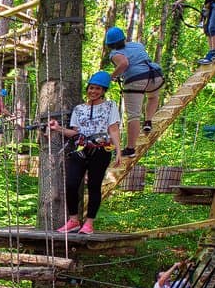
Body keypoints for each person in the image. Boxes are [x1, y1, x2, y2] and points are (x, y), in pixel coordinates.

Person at [45, 71, 121, 235]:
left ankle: (89, 223)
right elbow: (75, 132)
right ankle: (73, 220)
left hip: (101, 150)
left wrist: (119, 151)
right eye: (92, 88)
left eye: (98, 89)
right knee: (72, 184)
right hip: (81, 149)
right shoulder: (79, 109)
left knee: (94, 185)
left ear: (103, 91)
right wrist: (58, 128)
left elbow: (113, 130)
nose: (94, 92)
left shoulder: (110, 106)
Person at [104, 27, 164, 157]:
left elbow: (124, 63)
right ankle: (148, 121)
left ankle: (130, 149)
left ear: (109, 44)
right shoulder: (137, 45)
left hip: (136, 80)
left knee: (134, 115)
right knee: (153, 97)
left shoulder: (114, 54)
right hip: (156, 76)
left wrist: (112, 76)